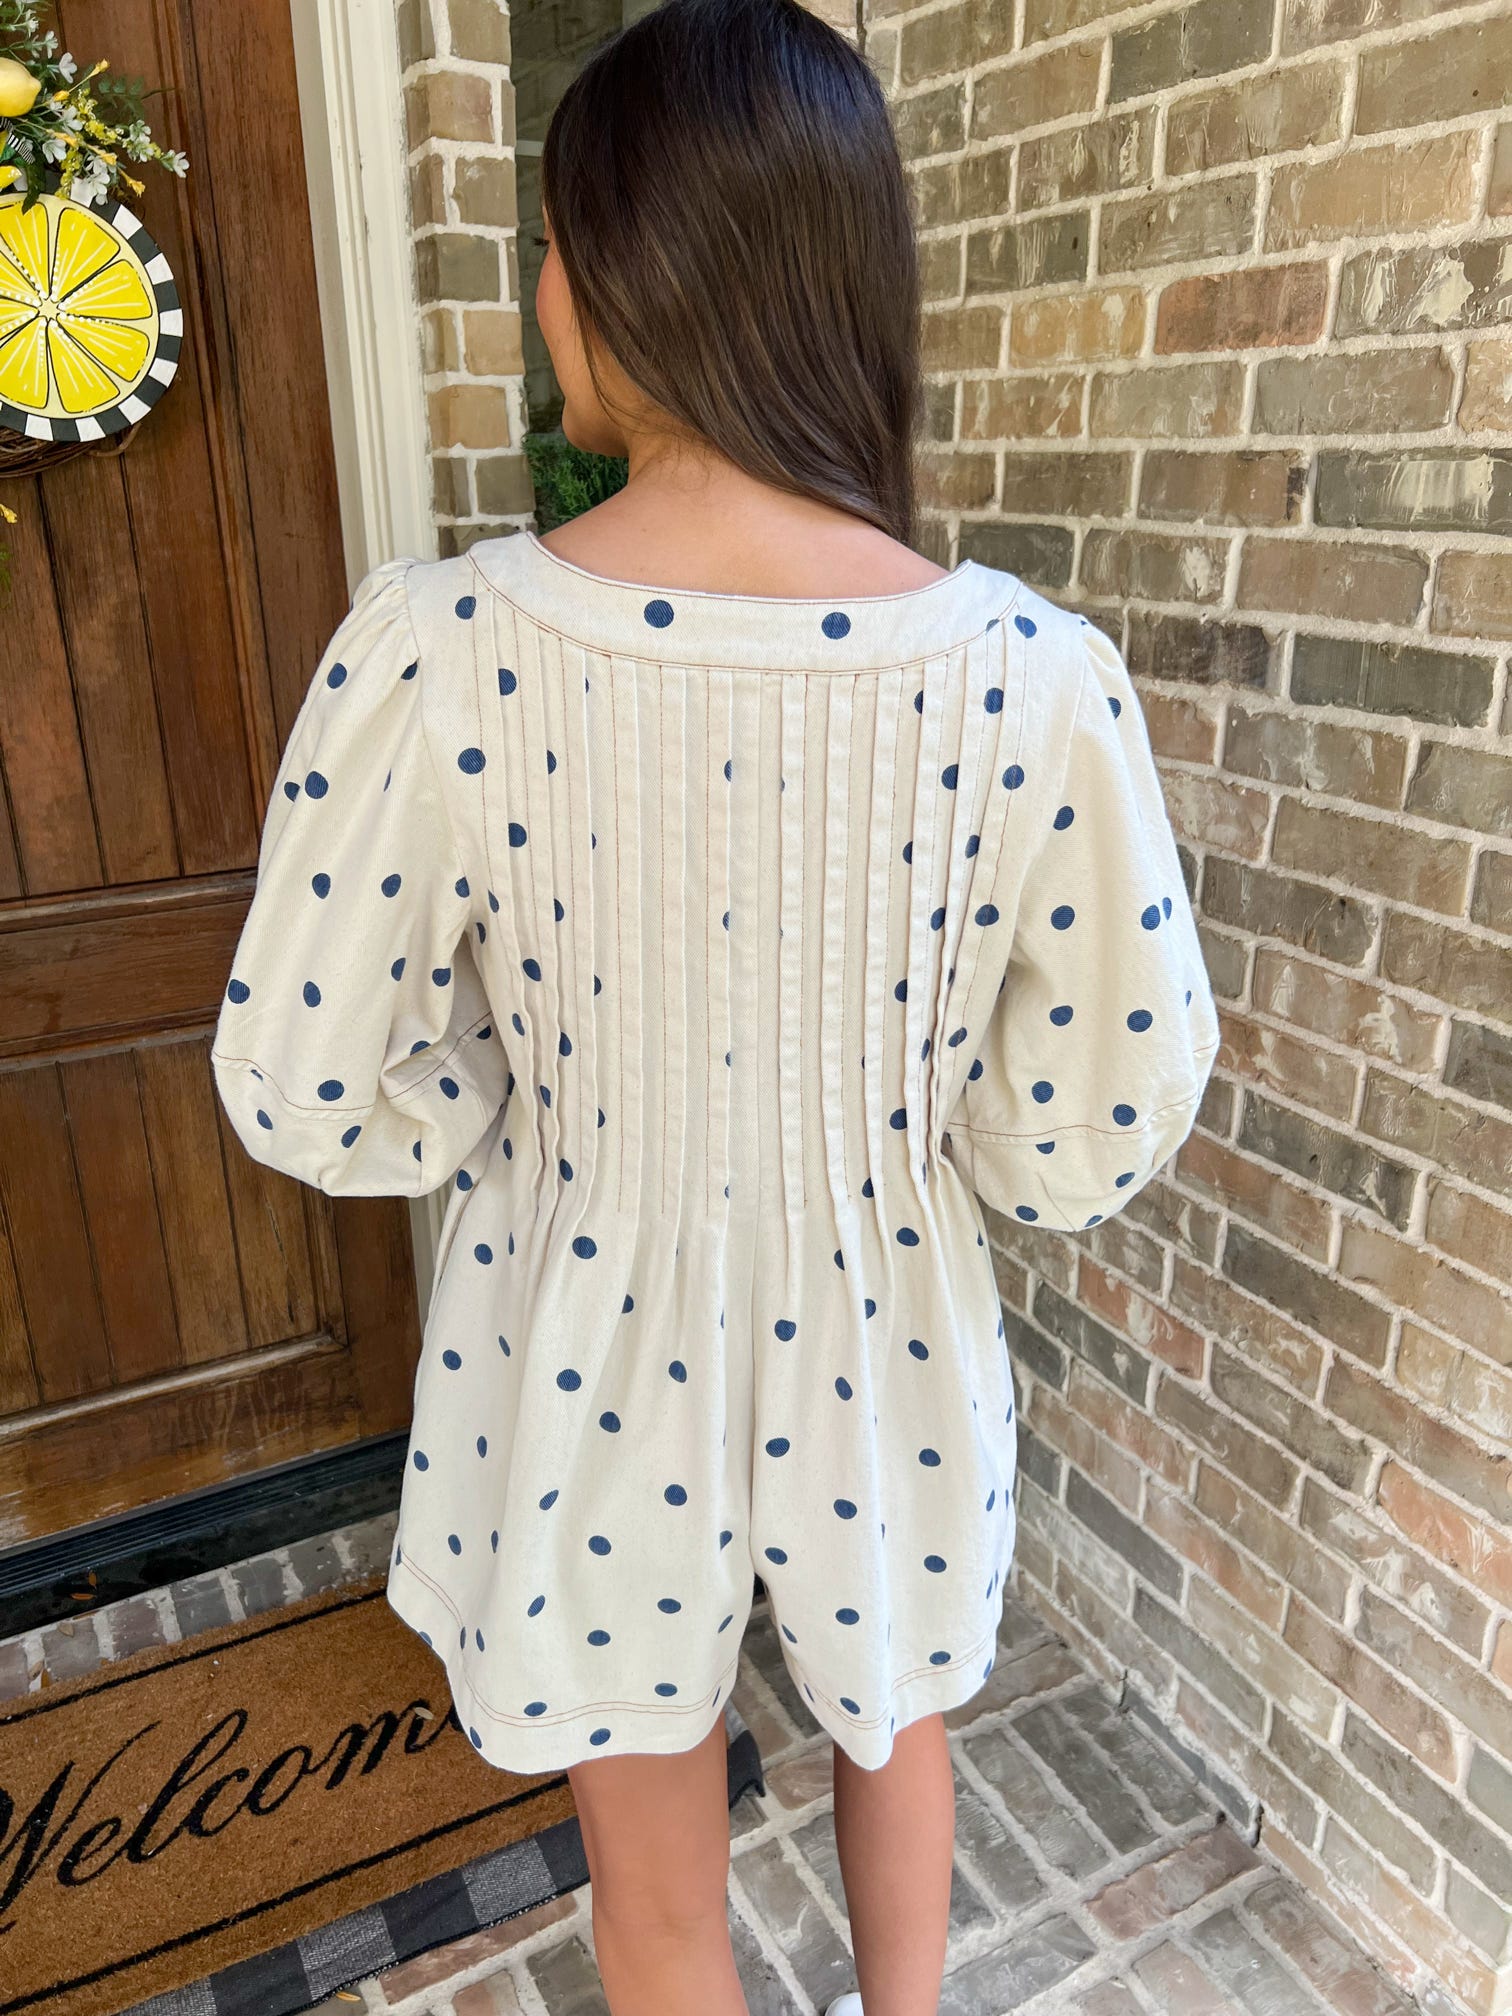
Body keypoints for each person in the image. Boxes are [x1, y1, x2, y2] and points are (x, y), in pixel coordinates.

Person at [210, 1, 1220, 2010]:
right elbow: (1107, 1103)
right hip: (893, 1339)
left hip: (578, 1348)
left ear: (625, 279)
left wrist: (498, 1094)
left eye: (555, 242)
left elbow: (309, 1083)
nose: (538, 287)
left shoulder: (438, 652)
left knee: (660, 1898)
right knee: (896, 1715)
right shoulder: (1035, 674)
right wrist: (941, 1133)